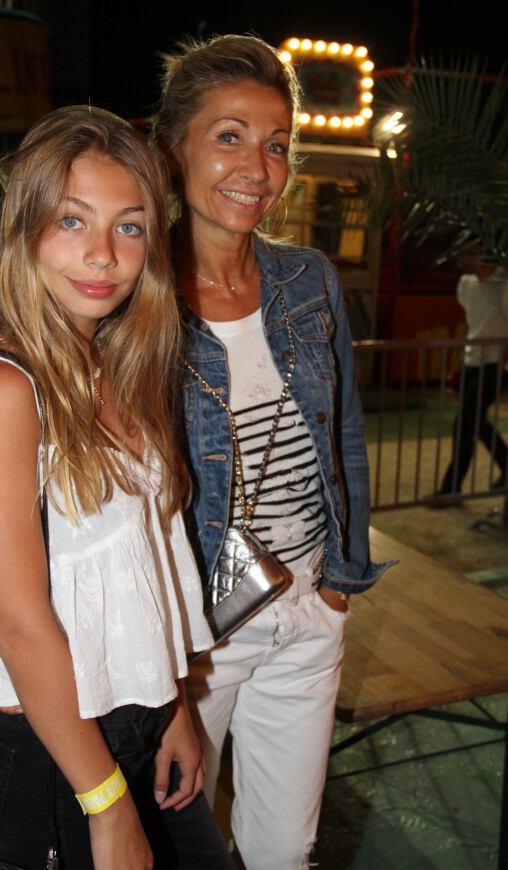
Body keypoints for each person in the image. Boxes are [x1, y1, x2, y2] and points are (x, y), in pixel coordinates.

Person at [0, 105, 237, 870]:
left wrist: (171, 705)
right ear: (25, 229)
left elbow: (146, 568)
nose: (103, 254)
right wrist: (105, 804)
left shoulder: (117, 365)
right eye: (73, 221)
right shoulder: (2, 389)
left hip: (137, 724)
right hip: (58, 758)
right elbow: (21, 625)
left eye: (129, 227)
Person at [152, 33, 394, 870]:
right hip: (196, 639)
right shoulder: (135, 302)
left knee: (284, 853)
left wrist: (337, 585)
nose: (257, 165)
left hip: (306, 613)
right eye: (228, 135)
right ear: (170, 146)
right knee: (180, 846)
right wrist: (167, 666)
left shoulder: (309, 281)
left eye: (277, 144)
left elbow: (346, 436)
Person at [434, 246, 508, 501]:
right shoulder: (466, 283)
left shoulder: (502, 282)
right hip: (471, 359)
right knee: (477, 423)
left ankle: (450, 487)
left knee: (464, 422)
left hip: (493, 362)